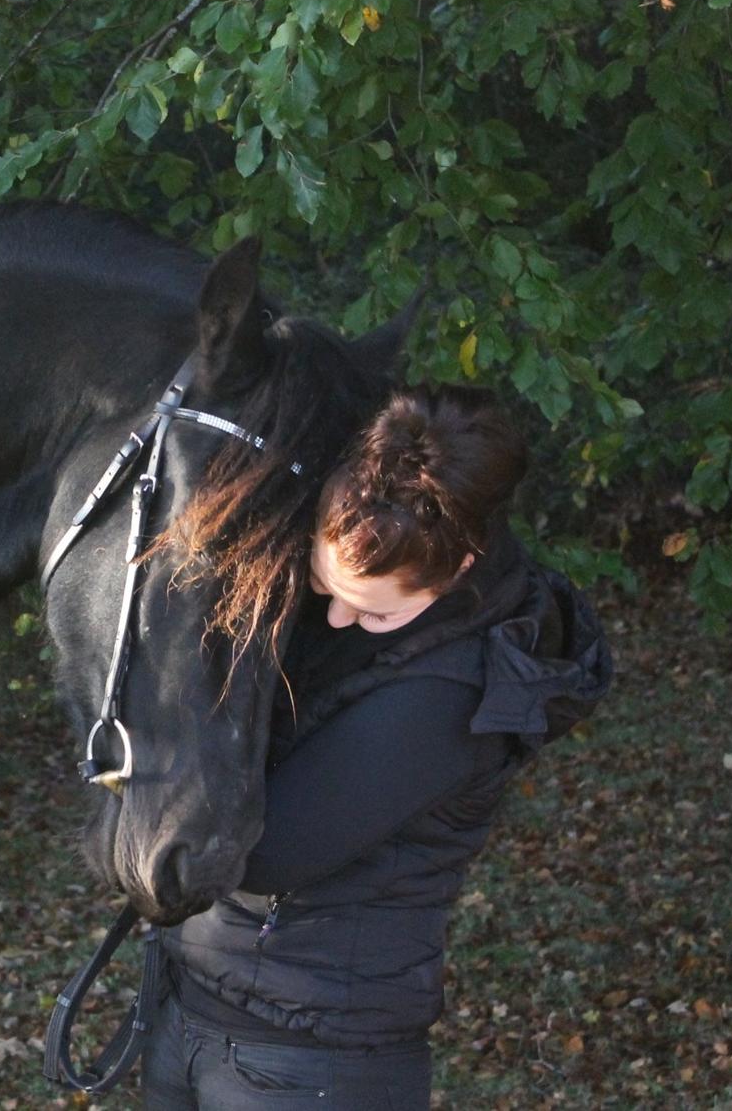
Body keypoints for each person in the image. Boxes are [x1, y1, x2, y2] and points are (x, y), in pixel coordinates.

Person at [140, 385, 612, 1109]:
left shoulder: (451, 695)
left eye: (373, 608)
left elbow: (262, 852)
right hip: (200, 1007)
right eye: (323, 585)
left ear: (458, 569)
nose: (336, 616)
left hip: (308, 1061)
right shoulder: (367, 611)